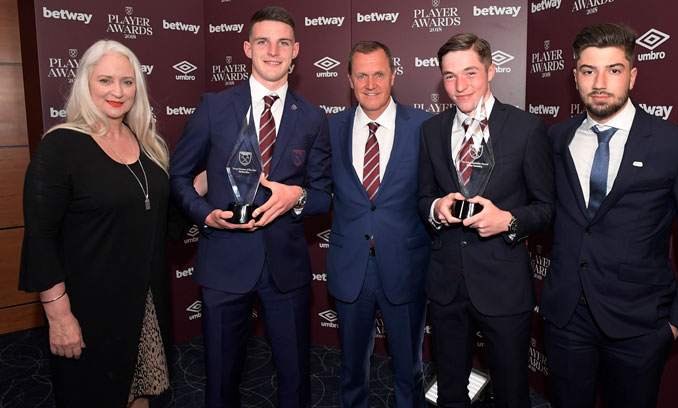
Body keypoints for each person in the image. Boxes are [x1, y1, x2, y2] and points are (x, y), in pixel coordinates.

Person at [540, 23, 678, 408]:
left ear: (633, 75)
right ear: (575, 77)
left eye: (614, 70)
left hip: (640, 326)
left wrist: (675, 325)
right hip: (567, 319)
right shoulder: (558, 137)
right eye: (589, 71)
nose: (600, 82)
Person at [169, 6, 331, 408]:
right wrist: (203, 214)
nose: (272, 51)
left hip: (286, 268)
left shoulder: (312, 118)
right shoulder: (214, 107)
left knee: (295, 379)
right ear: (247, 48)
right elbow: (179, 176)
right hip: (224, 263)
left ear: (296, 51)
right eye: (263, 41)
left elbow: (325, 194)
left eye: (283, 43)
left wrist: (299, 197)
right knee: (221, 379)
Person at [19, 40, 173, 407]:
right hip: (89, 308)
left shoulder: (148, 146)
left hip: (144, 302)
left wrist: (210, 181)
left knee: (142, 394)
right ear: (86, 83)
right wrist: (59, 315)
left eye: (127, 81)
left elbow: (161, 215)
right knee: (94, 395)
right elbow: (41, 237)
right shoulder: (60, 147)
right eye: (106, 80)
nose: (117, 91)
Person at [417, 33, 555, 408]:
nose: (460, 86)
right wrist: (436, 209)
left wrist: (508, 220)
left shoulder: (526, 127)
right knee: (449, 392)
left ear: (492, 70)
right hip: (446, 284)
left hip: (504, 285)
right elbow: (422, 198)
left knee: (511, 394)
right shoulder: (431, 130)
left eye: (470, 73)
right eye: (449, 76)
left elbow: (546, 207)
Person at [326, 41, 432, 408]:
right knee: (351, 368)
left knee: (409, 367)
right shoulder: (331, 128)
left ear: (393, 75)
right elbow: (315, 188)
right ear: (350, 80)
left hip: (405, 265)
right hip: (349, 264)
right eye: (361, 75)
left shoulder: (424, 126)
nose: (370, 83)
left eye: (378, 73)